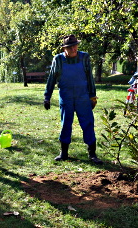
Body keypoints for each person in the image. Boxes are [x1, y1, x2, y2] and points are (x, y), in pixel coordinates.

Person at [44, 34, 102, 164]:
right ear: (64, 49)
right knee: (66, 124)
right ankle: (64, 153)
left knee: (88, 123)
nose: (74, 49)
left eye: (75, 46)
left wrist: (92, 96)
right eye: (70, 47)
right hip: (66, 97)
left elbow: (90, 78)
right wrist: (47, 97)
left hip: (83, 97)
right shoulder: (58, 60)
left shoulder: (84, 57)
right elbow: (52, 78)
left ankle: (92, 154)